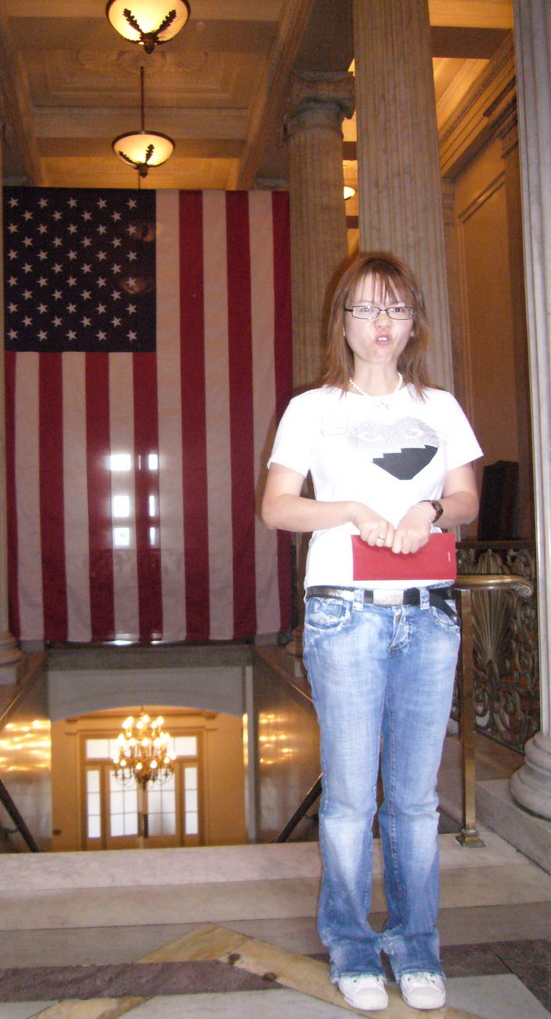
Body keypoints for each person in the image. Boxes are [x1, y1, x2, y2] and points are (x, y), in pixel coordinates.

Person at [262, 252, 481, 1012]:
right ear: (343, 322)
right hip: (344, 611)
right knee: (353, 796)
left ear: (413, 320)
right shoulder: (313, 408)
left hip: (429, 611)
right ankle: (353, 946)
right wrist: (351, 510)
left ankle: (416, 946)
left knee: (416, 801)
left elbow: (466, 495)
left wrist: (431, 510)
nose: (381, 325)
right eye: (365, 309)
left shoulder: (440, 407)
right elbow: (278, 507)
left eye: (394, 309)